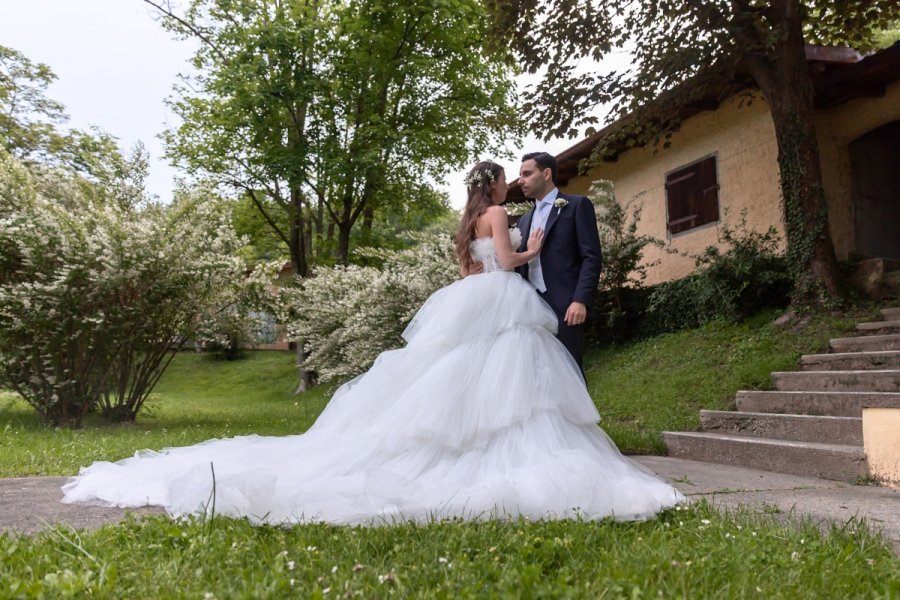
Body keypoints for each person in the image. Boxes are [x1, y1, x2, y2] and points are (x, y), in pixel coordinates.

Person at [61, 161, 682, 525]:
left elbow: (471, 269)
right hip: (505, 297)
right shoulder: (497, 217)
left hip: (471, 296)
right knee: (508, 373)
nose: (510, 188)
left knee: (459, 373)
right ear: (494, 189)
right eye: (506, 182)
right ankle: (495, 450)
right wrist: (532, 249)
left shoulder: (464, 222)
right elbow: (508, 261)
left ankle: (467, 440)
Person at [515, 152, 602, 373]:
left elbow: (591, 257)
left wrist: (580, 300)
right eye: (519, 175)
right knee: (537, 373)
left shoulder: (576, 205)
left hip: (566, 305)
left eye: (526, 174)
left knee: (570, 370)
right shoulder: (523, 220)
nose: (520, 180)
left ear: (546, 173)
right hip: (531, 307)